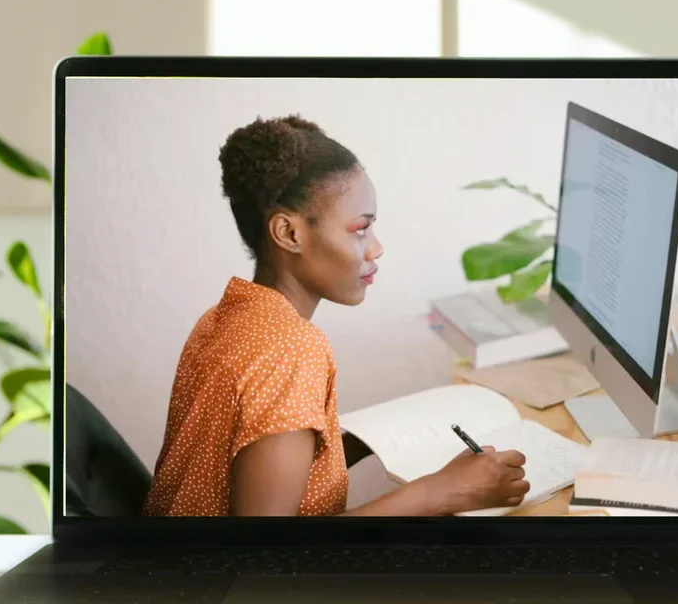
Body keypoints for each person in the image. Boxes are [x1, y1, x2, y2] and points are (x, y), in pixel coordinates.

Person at [142, 115, 530, 517]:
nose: (375, 248)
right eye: (360, 229)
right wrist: (441, 493)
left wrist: (358, 444)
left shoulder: (226, 316)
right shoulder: (291, 351)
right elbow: (264, 559)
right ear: (289, 234)